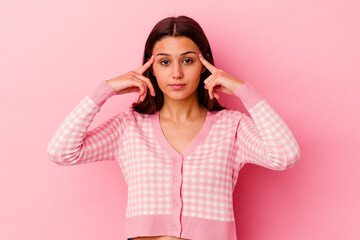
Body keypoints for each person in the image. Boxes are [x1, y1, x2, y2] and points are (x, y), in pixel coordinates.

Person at [47, 15, 300, 240]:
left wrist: (244, 91)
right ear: (151, 67)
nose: (177, 73)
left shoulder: (231, 127)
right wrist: (104, 91)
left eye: (188, 61)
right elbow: (62, 152)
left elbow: (285, 156)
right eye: (165, 62)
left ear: (204, 65)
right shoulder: (128, 126)